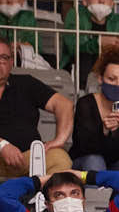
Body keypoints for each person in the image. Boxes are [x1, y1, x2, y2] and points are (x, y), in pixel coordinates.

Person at [0, 38, 70, 175]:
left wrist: (59, 140)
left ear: (11, 62)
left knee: (59, 159)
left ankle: (42, 195)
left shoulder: (25, 83)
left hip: (28, 158)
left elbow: (64, 105)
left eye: (4, 58)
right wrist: (2, 145)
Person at [70, 45, 119, 172]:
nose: (117, 85)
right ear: (100, 78)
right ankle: (95, 193)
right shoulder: (86, 104)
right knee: (95, 160)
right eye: (111, 79)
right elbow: (82, 147)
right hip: (86, 163)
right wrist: (104, 131)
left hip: (117, 164)